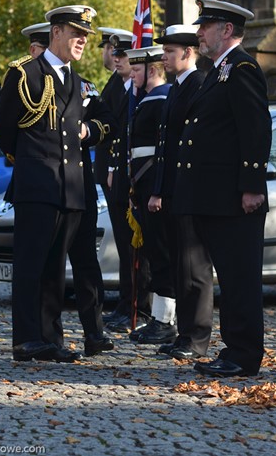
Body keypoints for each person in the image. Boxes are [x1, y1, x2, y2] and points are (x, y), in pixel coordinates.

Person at [0, 5, 115, 362]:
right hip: (38, 184)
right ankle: (26, 338)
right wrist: (31, 161)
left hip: (70, 187)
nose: (82, 42)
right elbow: (3, 127)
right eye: (77, 34)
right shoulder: (25, 73)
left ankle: (50, 338)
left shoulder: (76, 81)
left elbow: (88, 129)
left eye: (85, 37)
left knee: (54, 269)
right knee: (31, 264)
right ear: (56, 32)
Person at [173, 0, 272, 377]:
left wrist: (251, 185)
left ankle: (244, 355)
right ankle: (234, 349)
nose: (198, 33)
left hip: (235, 198)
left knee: (240, 278)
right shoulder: (219, 70)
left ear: (226, 30)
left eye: (205, 26)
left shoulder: (242, 68)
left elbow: (255, 129)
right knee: (230, 277)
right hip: (216, 197)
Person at [147, 25, 214, 358]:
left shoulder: (199, 85)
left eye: (169, 52)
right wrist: (159, 190)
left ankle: (198, 338)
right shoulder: (176, 89)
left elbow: (195, 148)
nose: (163, 57)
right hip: (175, 192)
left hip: (192, 191)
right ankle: (185, 333)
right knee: (179, 267)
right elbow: (165, 147)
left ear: (188, 53)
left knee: (195, 269)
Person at [124, 45, 177, 345]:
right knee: (155, 254)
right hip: (143, 186)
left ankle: (165, 319)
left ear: (152, 70)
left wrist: (153, 189)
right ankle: (159, 317)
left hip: (155, 187)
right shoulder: (147, 100)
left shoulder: (161, 100)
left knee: (162, 254)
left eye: (137, 69)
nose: (132, 74)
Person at [104, 32, 152, 333]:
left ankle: (139, 308)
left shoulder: (140, 92)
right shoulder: (118, 87)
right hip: (117, 176)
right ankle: (127, 304)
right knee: (125, 247)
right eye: (116, 54)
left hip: (131, 177)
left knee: (138, 250)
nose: (117, 59)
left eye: (125, 56)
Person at [94, 28, 131, 203]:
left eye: (120, 53)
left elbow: (117, 126)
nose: (114, 57)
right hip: (108, 166)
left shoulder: (120, 83)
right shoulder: (116, 81)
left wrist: (112, 167)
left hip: (115, 166)